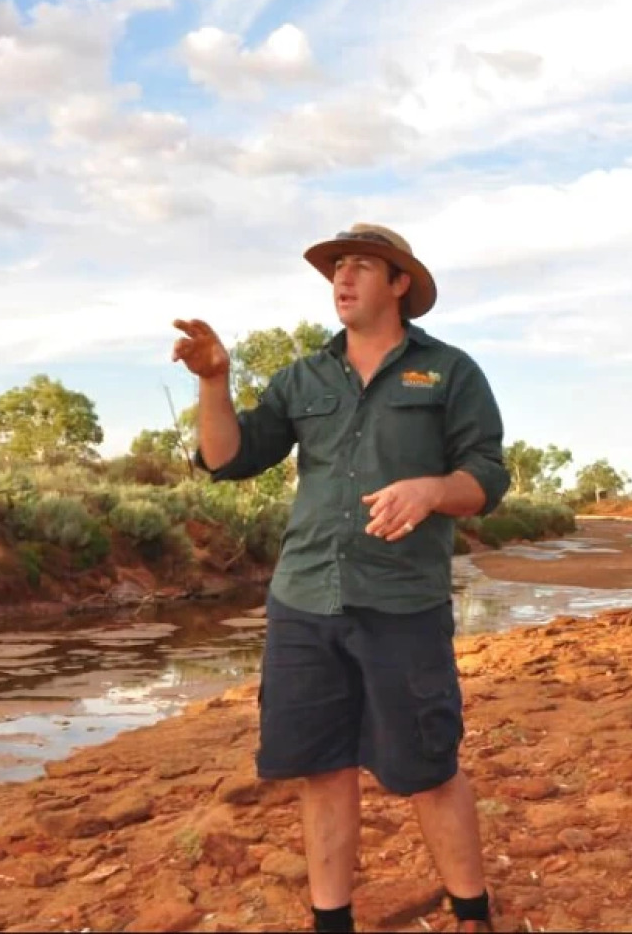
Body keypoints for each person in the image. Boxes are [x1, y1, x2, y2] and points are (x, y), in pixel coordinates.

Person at [171, 224, 511, 934]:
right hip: (305, 600)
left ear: (399, 285)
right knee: (322, 767)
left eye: (360, 267)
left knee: (429, 767)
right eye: (335, 269)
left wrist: (430, 491)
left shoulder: (450, 373)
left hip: (402, 603)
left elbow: (486, 475)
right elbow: (230, 456)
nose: (342, 280)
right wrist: (214, 381)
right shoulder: (304, 377)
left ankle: (473, 916)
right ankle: (333, 922)